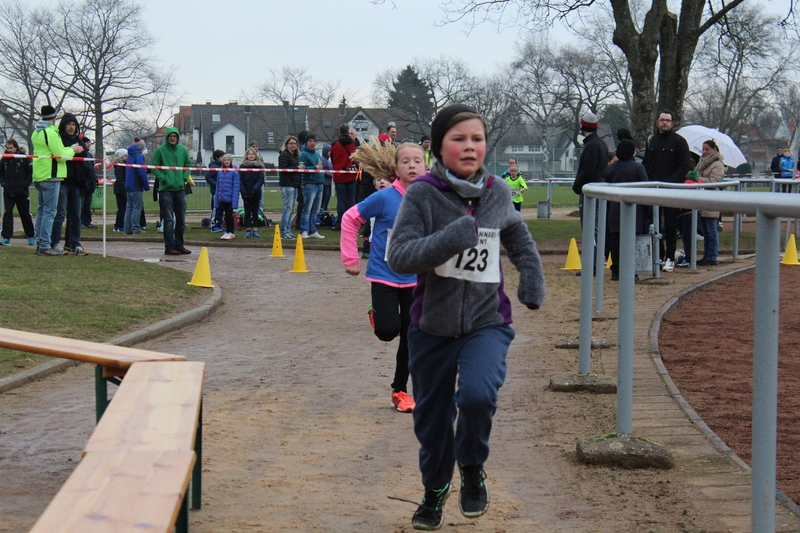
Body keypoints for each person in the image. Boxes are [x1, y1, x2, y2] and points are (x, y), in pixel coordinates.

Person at [386, 104, 545, 530]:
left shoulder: (497, 192)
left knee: (477, 396)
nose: (470, 146)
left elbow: (518, 236)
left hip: (487, 322)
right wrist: (449, 238)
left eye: (477, 139)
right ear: (439, 147)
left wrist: (531, 279)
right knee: (432, 420)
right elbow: (399, 256)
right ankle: (435, 489)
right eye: (459, 139)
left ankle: (472, 467)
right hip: (431, 327)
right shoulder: (422, 194)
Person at [341, 140, 427, 413]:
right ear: (395, 169)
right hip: (383, 275)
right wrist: (351, 258)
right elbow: (350, 218)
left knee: (412, 335)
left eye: (417, 161)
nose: (412, 166)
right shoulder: (384, 197)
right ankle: (377, 313)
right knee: (388, 331)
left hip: (415, 279)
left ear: (426, 168)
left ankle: (400, 390)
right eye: (405, 162)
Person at [642, 109, 693, 272]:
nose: (664, 123)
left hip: (670, 189)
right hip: (652, 189)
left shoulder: (679, 142)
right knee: (653, 224)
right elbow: (647, 163)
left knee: (670, 224)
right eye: (662, 120)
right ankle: (657, 256)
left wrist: (670, 182)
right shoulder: (652, 141)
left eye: (667, 120)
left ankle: (670, 257)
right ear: (657, 122)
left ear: (672, 123)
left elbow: (685, 165)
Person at [604, 139, 649, 280]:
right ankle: (632, 271)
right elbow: (645, 188)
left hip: (614, 209)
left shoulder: (611, 168)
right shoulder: (638, 168)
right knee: (632, 241)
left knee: (615, 240)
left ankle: (616, 270)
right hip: (635, 210)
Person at [52, 112, 91, 256]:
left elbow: (84, 154)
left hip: (77, 183)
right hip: (62, 181)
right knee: (60, 214)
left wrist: (72, 152)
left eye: (74, 124)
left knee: (76, 216)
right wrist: (72, 150)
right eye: (69, 124)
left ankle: (74, 243)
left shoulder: (78, 140)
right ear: (63, 125)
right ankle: (55, 242)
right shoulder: (58, 139)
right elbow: (61, 155)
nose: (71, 127)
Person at [152, 127, 192, 255]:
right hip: (166, 190)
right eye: (170, 136)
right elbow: (154, 168)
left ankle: (180, 245)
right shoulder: (160, 150)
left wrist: (184, 178)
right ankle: (169, 246)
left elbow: (187, 165)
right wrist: (164, 179)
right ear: (167, 137)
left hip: (180, 188)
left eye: (175, 136)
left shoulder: (182, 150)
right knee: (169, 219)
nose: (173, 138)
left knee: (181, 219)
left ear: (177, 137)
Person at [572, 111, 609, 226]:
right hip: (600, 188)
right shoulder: (602, 144)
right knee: (597, 223)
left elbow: (588, 170)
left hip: (591, 191)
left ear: (582, 126)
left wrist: (577, 185)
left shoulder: (591, 146)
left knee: (590, 224)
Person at [694, 140, 724, 266]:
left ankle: (712, 255)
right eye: (703, 149)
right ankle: (707, 255)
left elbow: (714, 181)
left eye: (707, 149)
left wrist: (699, 179)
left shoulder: (718, 164)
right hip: (702, 198)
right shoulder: (701, 162)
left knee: (711, 229)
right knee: (705, 231)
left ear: (714, 149)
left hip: (712, 199)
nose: (704, 152)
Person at [0, 139, 35, 245]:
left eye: (11, 148)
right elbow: (1, 174)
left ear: (16, 147)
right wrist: (4, 183)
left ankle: (30, 235)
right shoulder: (4, 159)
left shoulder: (24, 158)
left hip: (22, 192)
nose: (9, 150)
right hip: (8, 191)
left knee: (25, 214)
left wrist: (24, 185)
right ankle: (6, 237)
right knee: (8, 213)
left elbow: (29, 174)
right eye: (8, 148)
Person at [330, 123, 358, 230]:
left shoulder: (335, 144)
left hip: (339, 175)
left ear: (339, 131)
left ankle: (340, 222)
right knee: (351, 199)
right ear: (347, 131)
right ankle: (351, 222)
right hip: (351, 175)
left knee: (341, 200)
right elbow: (355, 159)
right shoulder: (353, 144)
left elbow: (332, 158)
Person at [298, 133, 325, 239]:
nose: (312, 143)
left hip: (319, 184)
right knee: (307, 209)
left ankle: (313, 230)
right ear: (306, 143)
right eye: (310, 141)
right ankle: (304, 230)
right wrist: (314, 168)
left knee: (316, 210)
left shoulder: (317, 154)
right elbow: (302, 168)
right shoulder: (303, 154)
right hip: (309, 184)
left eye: (314, 141)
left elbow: (320, 166)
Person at [124, 138, 150, 235]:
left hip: (129, 184)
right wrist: (146, 186)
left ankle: (127, 228)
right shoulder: (139, 157)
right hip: (136, 185)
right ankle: (135, 228)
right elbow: (141, 172)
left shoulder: (129, 156)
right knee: (137, 208)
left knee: (129, 207)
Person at [278, 136, 301, 239]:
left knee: (292, 209)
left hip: (294, 184)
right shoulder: (284, 155)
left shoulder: (295, 156)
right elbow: (283, 169)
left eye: (295, 143)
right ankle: (284, 231)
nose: (293, 145)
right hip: (287, 184)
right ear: (286, 144)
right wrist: (297, 168)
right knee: (288, 208)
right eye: (291, 143)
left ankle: (288, 230)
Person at [239, 147, 264, 238]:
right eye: (249, 154)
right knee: (247, 212)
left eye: (253, 154)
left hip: (256, 193)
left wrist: (255, 188)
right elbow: (240, 180)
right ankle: (248, 230)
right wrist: (243, 191)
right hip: (246, 193)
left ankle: (255, 230)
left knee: (255, 212)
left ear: (255, 155)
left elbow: (261, 179)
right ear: (246, 155)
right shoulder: (242, 167)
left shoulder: (259, 166)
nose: (251, 155)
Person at [214, 154, 239, 240]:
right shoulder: (220, 172)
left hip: (230, 197)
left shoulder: (234, 172)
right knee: (225, 216)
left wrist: (234, 200)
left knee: (229, 215)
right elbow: (218, 186)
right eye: (225, 160)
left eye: (228, 160)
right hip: (222, 197)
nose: (226, 161)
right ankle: (227, 231)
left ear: (231, 161)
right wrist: (217, 198)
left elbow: (236, 187)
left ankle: (231, 232)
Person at [205, 149, 225, 232]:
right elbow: (207, 177)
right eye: (222, 156)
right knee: (215, 208)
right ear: (217, 158)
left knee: (221, 208)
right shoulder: (214, 167)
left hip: (222, 192)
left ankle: (219, 224)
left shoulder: (222, 166)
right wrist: (216, 184)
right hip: (215, 192)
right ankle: (213, 225)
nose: (224, 158)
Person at [80, 138, 97, 229]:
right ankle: (81, 221)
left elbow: (92, 169)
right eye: (87, 142)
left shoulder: (89, 155)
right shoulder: (80, 154)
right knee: (81, 203)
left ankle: (87, 221)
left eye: (89, 142)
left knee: (87, 204)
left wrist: (94, 179)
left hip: (90, 183)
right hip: (83, 183)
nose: (89, 144)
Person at [112, 148, 128, 232]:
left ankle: (118, 225)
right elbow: (120, 179)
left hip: (120, 189)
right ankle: (120, 225)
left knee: (122, 208)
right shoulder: (119, 166)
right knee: (122, 208)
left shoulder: (123, 165)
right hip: (120, 190)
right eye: (125, 156)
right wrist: (124, 191)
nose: (127, 157)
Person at [320, 143, 333, 214]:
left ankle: (325, 210)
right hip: (325, 183)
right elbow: (323, 171)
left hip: (329, 183)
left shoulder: (328, 160)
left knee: (327, 198)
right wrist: (332, 175)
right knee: (324, 199)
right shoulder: (323, 160)